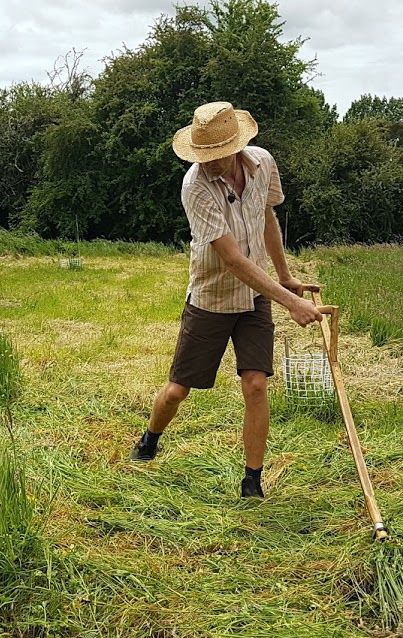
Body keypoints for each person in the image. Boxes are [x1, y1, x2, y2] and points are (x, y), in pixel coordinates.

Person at [131, 101, 323, 499]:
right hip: (212, 296)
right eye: (204, 156)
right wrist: (289, 301)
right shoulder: (195, 186)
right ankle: (150, 438)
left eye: (217, 155)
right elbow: (233, 260)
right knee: (177, 390)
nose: (211, 164)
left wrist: (285, 276)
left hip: (255, 295)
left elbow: (267, 218)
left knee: (255, 384)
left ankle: (252, 481)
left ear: (236, 146)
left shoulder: (263, 164)